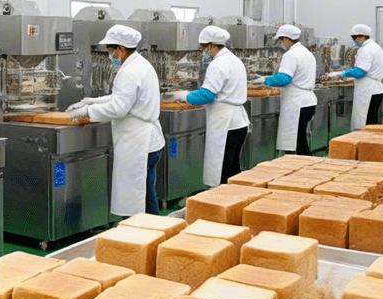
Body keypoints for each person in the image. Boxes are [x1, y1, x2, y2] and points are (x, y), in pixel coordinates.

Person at [66, 25, 164, 216]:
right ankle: (154, 229)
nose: (111, 55)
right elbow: (122, 98)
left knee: (138, 196)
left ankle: (145, 230)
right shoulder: (141, 65)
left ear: (121, 48)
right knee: (145, 192)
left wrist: (87, 111)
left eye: (111, 50)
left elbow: (119, 108)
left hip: (138, 143)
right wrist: (93, 101)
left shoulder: (129, 72)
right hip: (150, 141)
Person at [167, 26, 250, 187]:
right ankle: (235, 198)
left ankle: (221, 199)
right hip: (238, 122)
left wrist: (183, 95)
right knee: (232, 168)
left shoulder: (218, 64)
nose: (204, 52)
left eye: (204, 48)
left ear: (212, 45)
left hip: (226, 123)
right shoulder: (234, 60)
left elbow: (206, 95)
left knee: (222, 169)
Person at [251, 24, 318, 155]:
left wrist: (264, 80)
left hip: (297, 104)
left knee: (295, 143)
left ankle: (299, 167)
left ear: (287, 39)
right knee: (300, 140)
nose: (281, 43)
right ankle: (304, 165)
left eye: (281, 39)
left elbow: (283, 79)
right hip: (308, 102)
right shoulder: (307, 53)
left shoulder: (291, 55)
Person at [325, 24, 383, 130]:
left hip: (368, 91)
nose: (355, 40)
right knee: (371, 123)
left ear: (362, 36)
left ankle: (363, 141)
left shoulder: (367, 49)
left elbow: (360, 72)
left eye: (355, 37)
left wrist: (341, 74)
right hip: (376, 90)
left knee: (364, 124)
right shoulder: (376, 47)